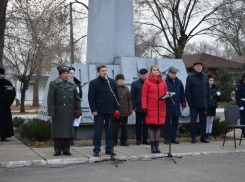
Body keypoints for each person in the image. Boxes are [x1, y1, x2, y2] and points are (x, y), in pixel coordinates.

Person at [47, 65, 82, 156]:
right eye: (64, 73)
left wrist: (78, 110)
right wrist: (52, 112)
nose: (66, 75)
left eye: (67, 73)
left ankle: (66, 149)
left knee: (68, 131)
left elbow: (77, 99)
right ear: (60, 75)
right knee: (58, 131)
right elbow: (50, 99)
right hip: (58, 111)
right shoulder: (54, 84)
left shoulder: (72, 84)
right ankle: (57, 150)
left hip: (69, 111)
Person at [88, 64, 120, 157]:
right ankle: (97, 149)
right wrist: (93, 109)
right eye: (102, 71)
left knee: (109, 131)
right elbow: (91, 98)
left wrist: (117, 108)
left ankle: (109, 148)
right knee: (98, 131)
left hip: (110, 110)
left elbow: (116, 96)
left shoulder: (112, 82)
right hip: (99, 111)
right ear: (98, 72)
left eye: (106, 70)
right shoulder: (94, 83)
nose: (105, 72)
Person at [142, 65, 168, 153]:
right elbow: (144, 96)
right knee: (151, 126)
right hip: (151, 107)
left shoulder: (163, 82)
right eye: (154, 70)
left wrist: (168, 97)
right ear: (151, 72)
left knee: (158, 126)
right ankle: (152, 145)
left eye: (157, 70)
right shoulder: (147, 82)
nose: (156, 71)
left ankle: (157, 145)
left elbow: (165, 92)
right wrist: (144, 107)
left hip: (160, 107)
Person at [185, 62, 210, 144]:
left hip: (203, 103)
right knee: (193, 122)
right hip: (194, 104)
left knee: (203, 121)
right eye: (197, 66)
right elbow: (187, 91)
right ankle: (193, 138)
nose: (199, 67)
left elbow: (208, 89)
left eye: (200, 66)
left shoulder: (205, 76)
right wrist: (190, 102)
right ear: (194, 68)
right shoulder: (190, 77)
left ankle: (203, 137)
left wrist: (208, 100)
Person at [164, 66, 186, 145]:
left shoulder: (179, 82)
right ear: (168, 73)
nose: (174, 74)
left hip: (176, 105)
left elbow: (182, 94)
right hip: (167, 106)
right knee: (167, 124)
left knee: (175, 123)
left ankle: (173, 138)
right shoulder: (165, 82)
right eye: (172, 73)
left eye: (175, 73)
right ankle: (166, 138)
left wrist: (183, 103)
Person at [131, 68, 150, 145]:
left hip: (148, 107)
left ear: (147, 75)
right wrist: (134, 106)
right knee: (138, 124)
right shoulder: (135, 83)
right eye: (141, 74)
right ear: (139, 75)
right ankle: (138, 139)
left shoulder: (149, 83)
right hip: (138, 107)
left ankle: (145, 139)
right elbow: (132, 96)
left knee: (146, 124)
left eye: (144, 74)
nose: (143, 76)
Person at [113, 74, 132, 146]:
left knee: (124, 128)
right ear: (117, 80)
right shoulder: (114, 88)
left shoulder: (126, 88)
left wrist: (130, 109)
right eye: (119, 80)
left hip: (124, 111)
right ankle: (114, 141)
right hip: (116, 112)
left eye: (122, 80)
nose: (121, 81)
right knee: (115, 128)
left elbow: (129, 100)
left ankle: (123, 141)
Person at [0, 68, 16, 141]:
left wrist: (7, 100)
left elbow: (12, 92)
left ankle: (3, 136)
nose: (1, 75)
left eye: (2, 74)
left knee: (4, 120)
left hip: (4, 105)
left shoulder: (7, 83)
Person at [68, 67, 83, 145]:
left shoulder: (77, 82)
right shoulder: (65, 81)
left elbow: (80, 94)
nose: (72, 74)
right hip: (68, 105)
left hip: (75, 105)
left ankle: (71, 138)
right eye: (70, 73)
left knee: (74, 123)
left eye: (73, 73)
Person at [235, 72, 245, 137]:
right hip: (243, 102)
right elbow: (237, 97)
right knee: (243, 118)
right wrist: (240, 105)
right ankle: (244, 131)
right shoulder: (239, 85)